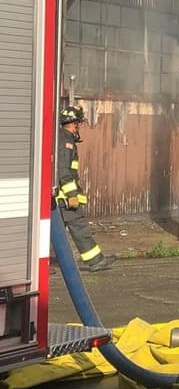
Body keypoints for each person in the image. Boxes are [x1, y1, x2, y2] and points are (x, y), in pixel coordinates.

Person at [56, 105, 115, 272]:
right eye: (78, 124)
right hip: (65, 197)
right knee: (79, 227)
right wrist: (72, 194)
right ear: (74, 124)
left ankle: (44, 264)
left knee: (53, 231)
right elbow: (63, 170)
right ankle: (96, 261)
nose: (78, 128)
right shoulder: (66, 140)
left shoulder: (59, 138)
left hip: (59, 197)